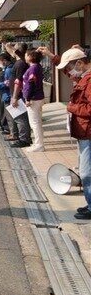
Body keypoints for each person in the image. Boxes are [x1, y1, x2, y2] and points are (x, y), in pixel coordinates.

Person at [56, 48, 91, 219]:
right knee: (86, 171)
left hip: (88, 131)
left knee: (86, 173)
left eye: (70, 67)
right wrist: (52, 57)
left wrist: (71, 107)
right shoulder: (84, 77)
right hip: (84, 131)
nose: (70, 72)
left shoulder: (89, 80)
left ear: (79, 63)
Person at [6, 43, 32, 148]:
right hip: (16, 93)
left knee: (20, 118)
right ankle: (24, 138)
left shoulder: (20, 63)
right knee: (19, 117)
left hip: (18, 95)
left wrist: (15, 97)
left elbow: (19, 81)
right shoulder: (19, 61)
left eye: (14, 47)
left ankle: (24, 139)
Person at [22, 49, 45, 152]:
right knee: (37, 122)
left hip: (33, 98)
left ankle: (39, 145)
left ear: (30, 56)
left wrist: (28, 98)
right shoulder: (37, 67)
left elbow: (31, 84)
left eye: (26, 55)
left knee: (34, 123)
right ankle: (38, 143)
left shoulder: (33, 68)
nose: (25, 57)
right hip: (37, 97)